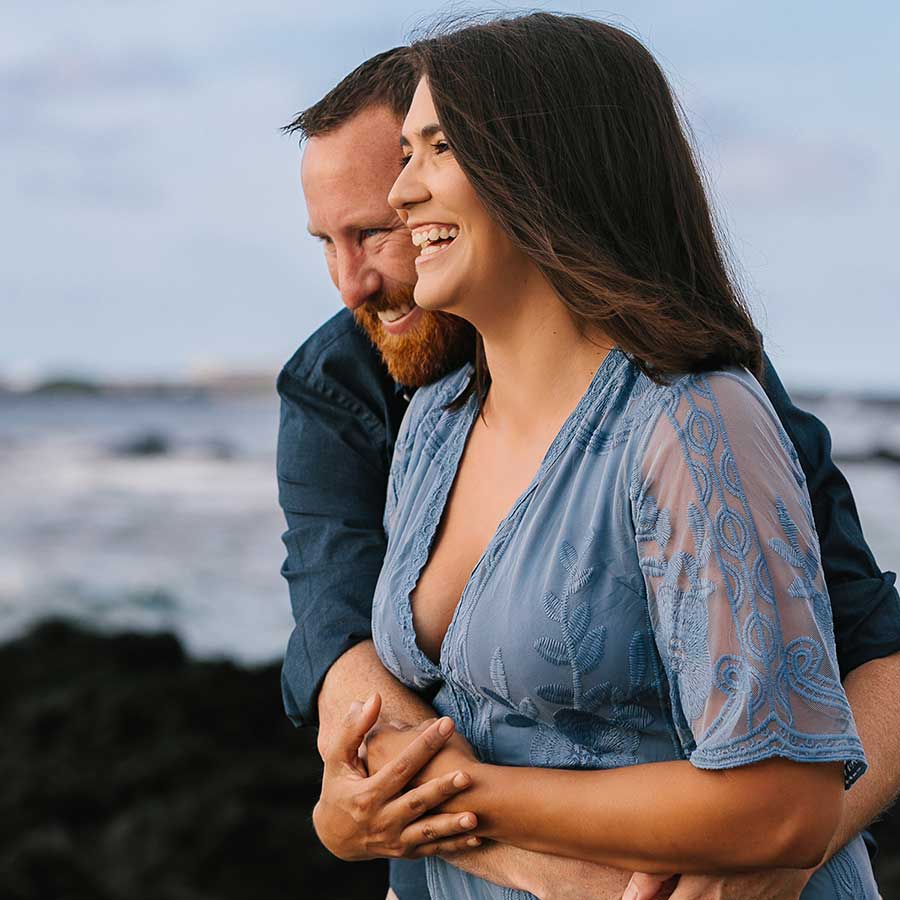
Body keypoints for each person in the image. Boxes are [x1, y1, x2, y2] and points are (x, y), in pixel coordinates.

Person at [277, 37, 900, 900]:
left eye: (434, 153)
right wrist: (348, 824)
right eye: (328, 240)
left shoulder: (696, 410)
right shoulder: (414, 411)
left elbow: (830, 716)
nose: (356, 278)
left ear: (545, 174)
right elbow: (337, 638)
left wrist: (763, 859)